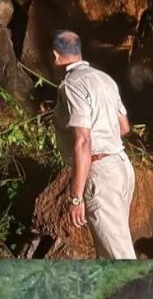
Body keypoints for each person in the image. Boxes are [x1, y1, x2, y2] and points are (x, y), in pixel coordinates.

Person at [52, 30, 137, 259]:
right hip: (121, 167)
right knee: (110, 251)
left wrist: (76, 197)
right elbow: (124, 127)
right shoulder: (104, 79)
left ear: (55, 55)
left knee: (120, 257)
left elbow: (83, 140)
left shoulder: (72, 85)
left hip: (100, 174)